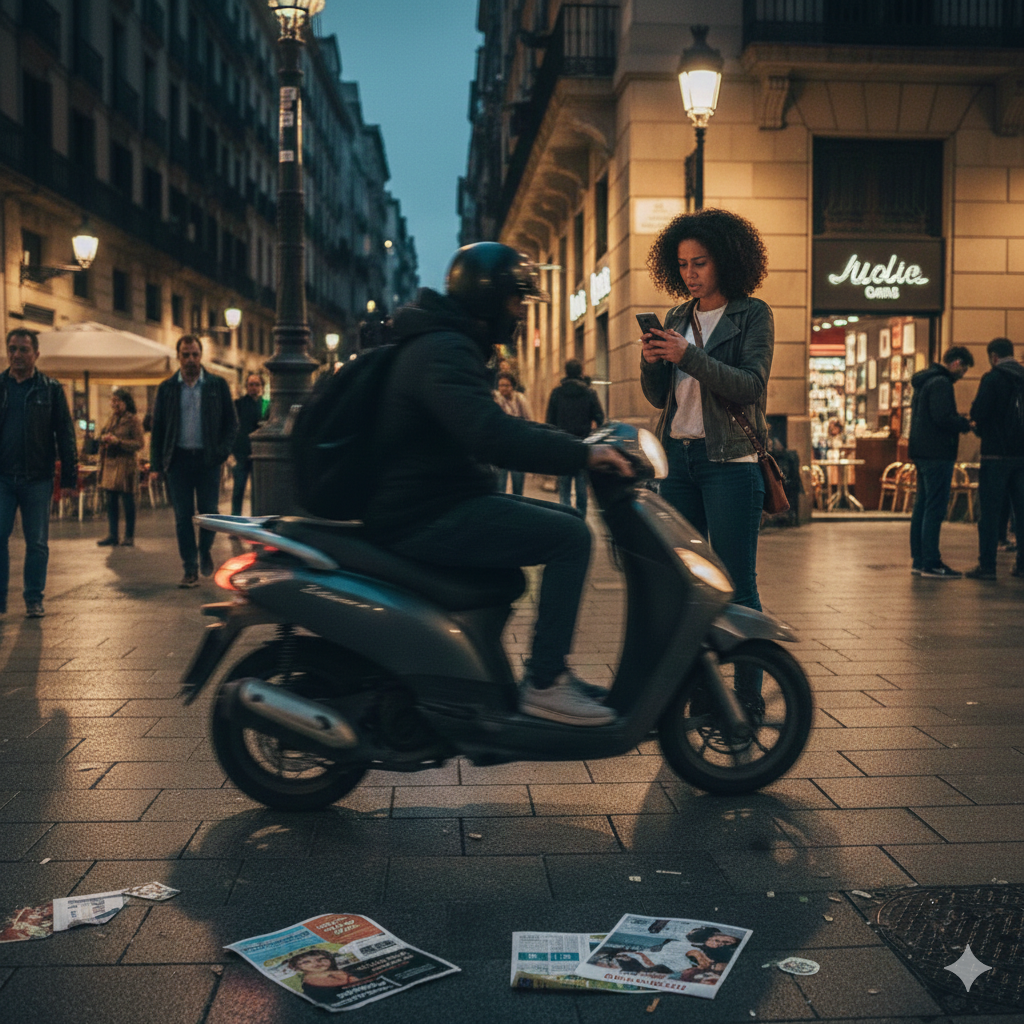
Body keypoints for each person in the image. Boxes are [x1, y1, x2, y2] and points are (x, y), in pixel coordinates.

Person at [363, 242, 632, 726]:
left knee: (562, 522)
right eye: (516, 301)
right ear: (488, 299)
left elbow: (497, 425)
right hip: (423, 512)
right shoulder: (443, 350)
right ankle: (546, 683)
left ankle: (484, 682)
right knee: (571, 536)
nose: (521, 313)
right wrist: (582, 452)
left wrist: (584, 442)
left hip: (434, 499)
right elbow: (489, 434)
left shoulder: (447, 342)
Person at [639, 209, 772, 624]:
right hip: (679, 460)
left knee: (736, 583)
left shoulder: (752, 314)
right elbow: (661, 399)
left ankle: (748, 687)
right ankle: (701, 685)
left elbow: (750, 386)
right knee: (686, 581)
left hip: (729, 463)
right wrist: (652, 362)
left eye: (700, 263)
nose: (690, 274)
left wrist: (689, 355)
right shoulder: (679, 316)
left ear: (726, 261)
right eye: (682, 265)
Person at [0, 328, 77, 618]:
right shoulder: (1, 386)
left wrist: (69, 479)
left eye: (23, 349)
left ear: (36, 354)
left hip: (38, 478)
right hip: (3, 478)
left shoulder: (51, 389)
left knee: (37, 543)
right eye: (12, 349)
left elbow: (65, 435)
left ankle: (33, 597)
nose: (17, 354)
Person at [150, 335, 237, 588]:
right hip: (178, 461)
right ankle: (189, 568)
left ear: (201, 356)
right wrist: (156, 465)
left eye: (195, 354)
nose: (191, 360)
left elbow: (232, 424)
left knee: (209, 513)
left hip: (208, 460)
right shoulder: (167, 388)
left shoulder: (216, 385)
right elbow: (158, 429)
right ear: (178, 356)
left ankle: (204, 550)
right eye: (186, 355)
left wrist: (221, 453)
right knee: (182, 517)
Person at [907, 346, 974, 578]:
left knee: (922, 506)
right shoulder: (941, 383)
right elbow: (942, 417)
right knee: (934, 507)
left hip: (922, 451)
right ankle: (931, 562)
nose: (963, 374)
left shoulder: (925, 381)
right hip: (937, 453)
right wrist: (965, 424)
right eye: (963, 369)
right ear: (956, 363)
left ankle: (919, 559)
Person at [966, 337, 1024, 580]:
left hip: (995, 454)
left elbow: (978, 413)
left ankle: (987, 565)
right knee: (1021, 512)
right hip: (1022, 456)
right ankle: (1021, 565)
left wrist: (981, 429)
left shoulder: (992, 378)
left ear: (993, 356)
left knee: (989, 512)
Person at [546, 358, 605, 514]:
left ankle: (566, 517)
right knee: (581, 488)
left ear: (566, 372)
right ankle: (580, 519)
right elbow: (600, 418)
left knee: (564, 488)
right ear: (581, 372)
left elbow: (549, 421)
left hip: (562, 445)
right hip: (582, 444)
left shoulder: (557, 393)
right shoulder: (589, 392)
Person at [96, 388, 143, 547]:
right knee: (111, 501)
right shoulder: (110, 418)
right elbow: (102, 434)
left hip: (125, 466)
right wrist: (104, 439)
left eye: (118, 401)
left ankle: (129, 536)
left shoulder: (133, 420)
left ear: (125, 403)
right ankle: (113, 534)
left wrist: (119, 442)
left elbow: (139, 443)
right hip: (110, 465)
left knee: (128, 501)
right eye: (112, 400)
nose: (114, 404)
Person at [230, 372, 267, 516]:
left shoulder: (265, 405)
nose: (254, 387)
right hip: (241, 453)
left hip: (259, 455)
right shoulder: (238, 405)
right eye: (251, 384)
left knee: (257, 493)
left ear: (261, 387)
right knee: (238, 489)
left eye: (257, 384)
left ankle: (256, 519)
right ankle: (235, 521)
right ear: (246, 386)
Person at [493, 371, 533, 495]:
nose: (503, 388)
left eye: (506, 385)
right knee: (500, 486)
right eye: (500, 385)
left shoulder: (520, 399)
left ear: (512, 386)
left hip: (517, 447)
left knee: (518, 485)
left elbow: (529, 420)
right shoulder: (496, 400)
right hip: (500, 448)